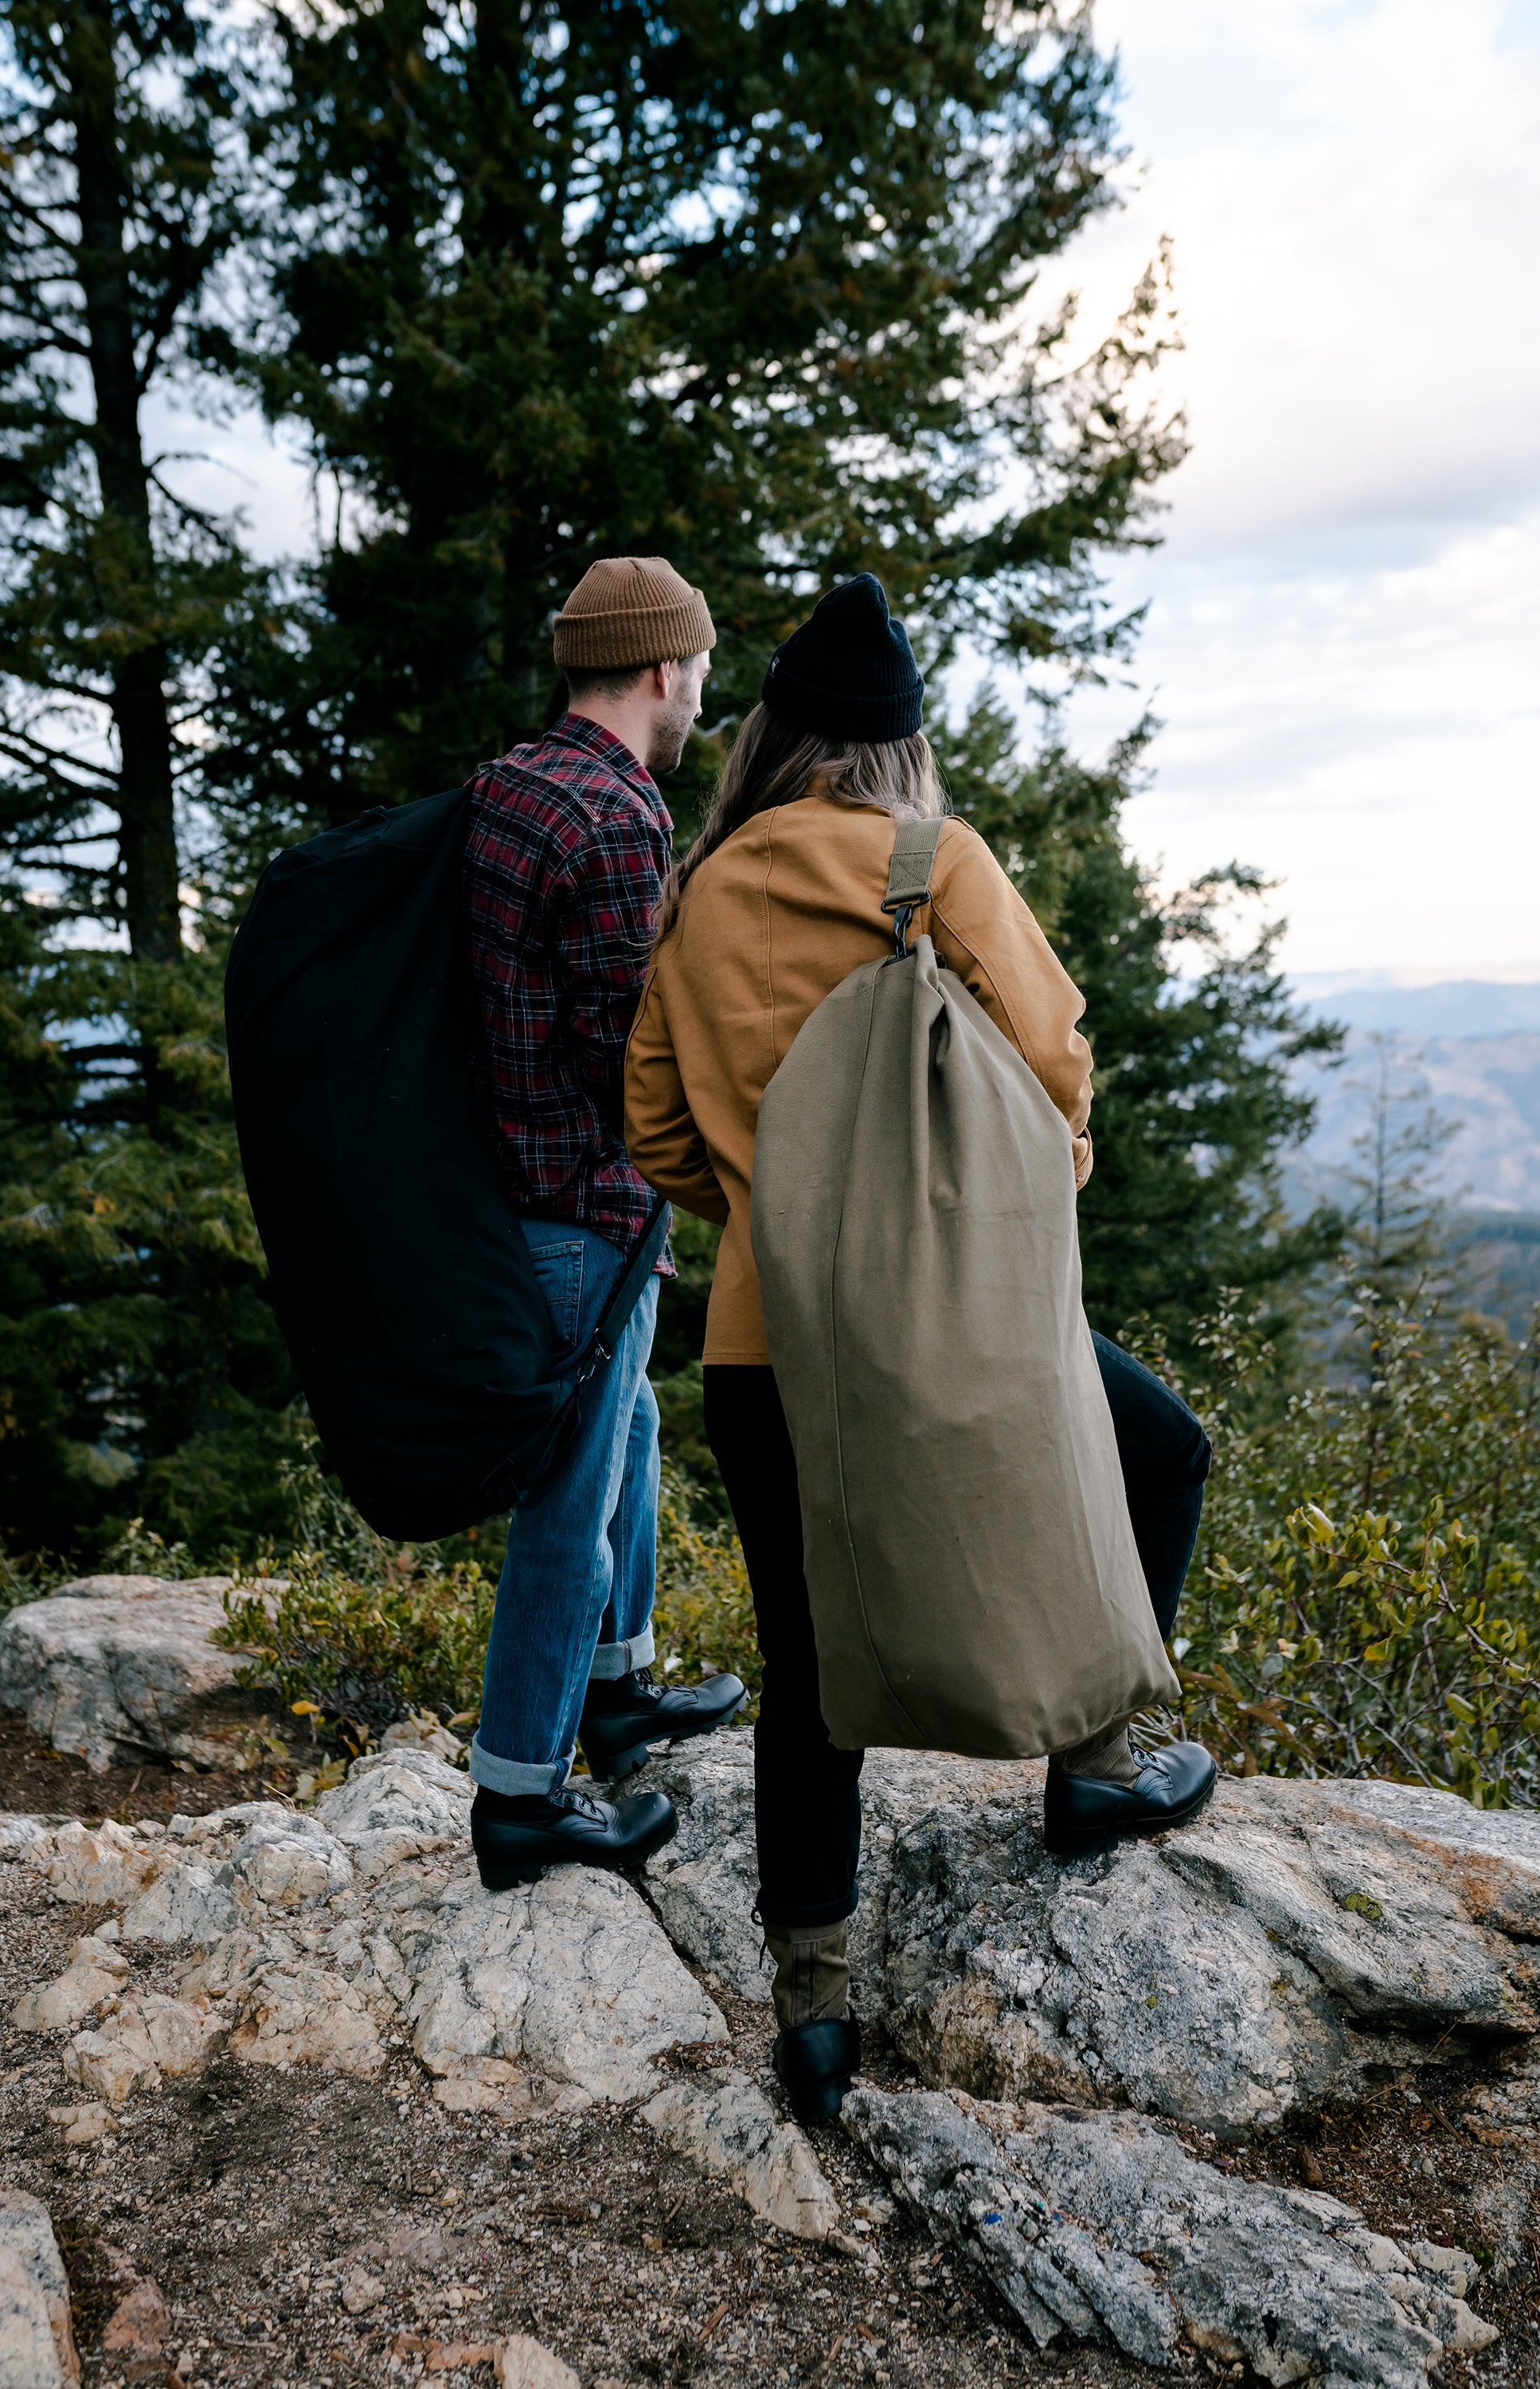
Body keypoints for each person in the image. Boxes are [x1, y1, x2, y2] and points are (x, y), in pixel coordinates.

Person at [623, 574, 1215, 2117]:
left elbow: (649, 1125)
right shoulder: (924, 861)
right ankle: (1091, 1765)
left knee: (804, 1671)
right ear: (894, 748)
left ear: (771, 737)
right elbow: (1051, 1056)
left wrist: (766, 1208)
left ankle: (812, 2022)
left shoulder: (694, 894)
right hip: (945, 1327)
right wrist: (1029, 1190)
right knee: (1158, 1454)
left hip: (766, 1347)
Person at [461, 556, 748, 1894]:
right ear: (653, 671)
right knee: (565, 1506)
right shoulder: (617, 820)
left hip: (523, 1204)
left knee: (627, 1433)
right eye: (693, 668)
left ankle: (620, 1688)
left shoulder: (507, 789)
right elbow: (628, 1053)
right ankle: (521, 1793)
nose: (701, 691)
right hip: (586, 1214)